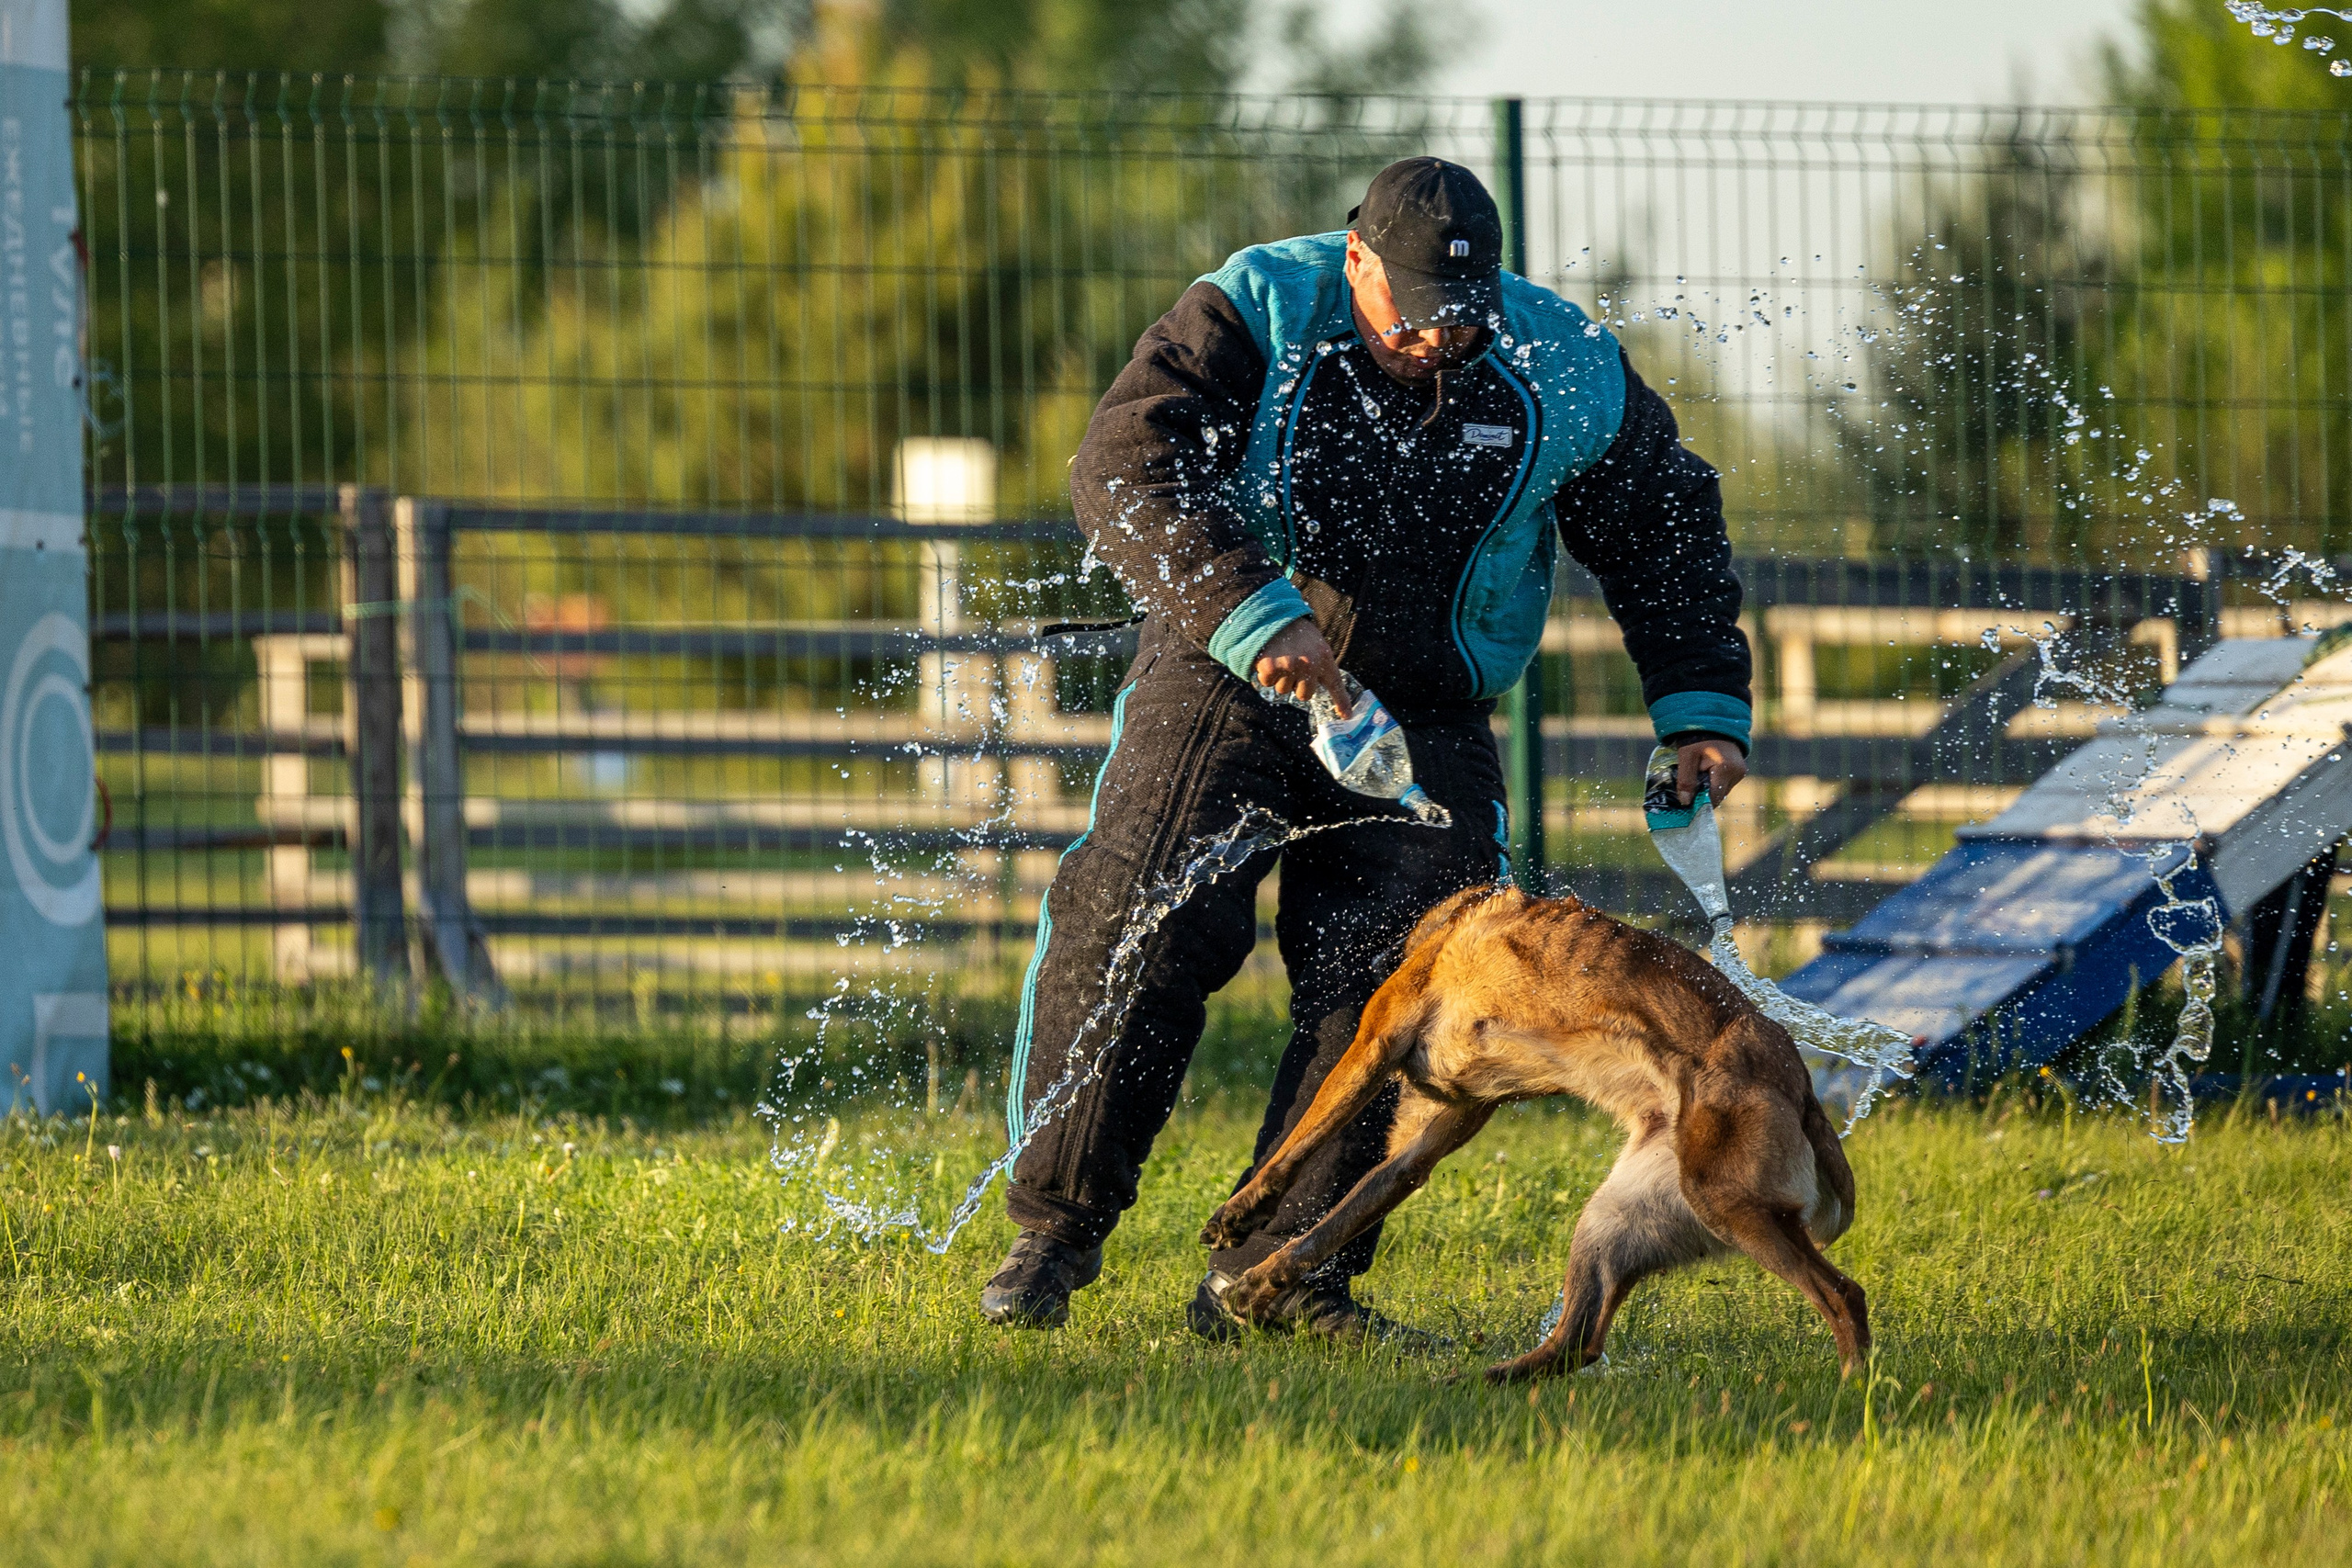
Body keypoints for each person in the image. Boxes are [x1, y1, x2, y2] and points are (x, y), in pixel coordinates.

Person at [981, 156, 1754, 1340]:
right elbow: (1125, 466)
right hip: (1227, 667)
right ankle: (1053, 1232)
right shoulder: (1259, 307)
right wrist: (1256, 611)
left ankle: (1280, 1280)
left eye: (1465, 317)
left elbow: (1662, 524)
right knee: (1141, 920)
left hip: (1430, 710)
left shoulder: (1563, 365)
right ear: (1356, 260)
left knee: (1398, 997)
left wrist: (1700, 701)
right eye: (1414, 311)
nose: (1440, 340)